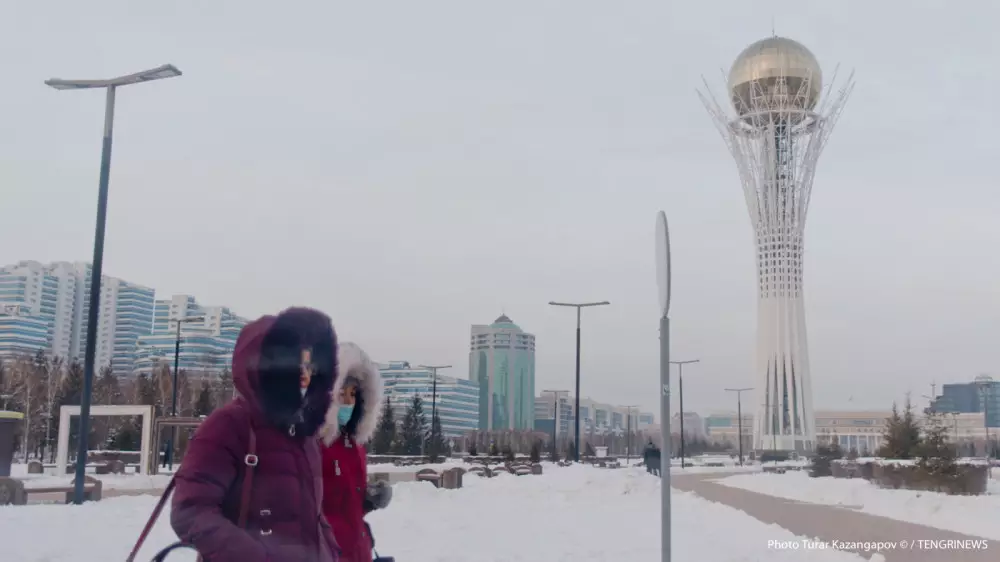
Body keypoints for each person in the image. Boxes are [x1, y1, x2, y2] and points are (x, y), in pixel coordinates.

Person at [170, 307, 341, 562]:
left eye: (311, 365)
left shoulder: (305, 435)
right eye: (296, 363)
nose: (305, 375)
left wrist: (330, 552)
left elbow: (312, 515)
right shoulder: (228, 426)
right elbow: (191, 511)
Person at [319, 342, 392, 562]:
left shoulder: (354, 446)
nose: (348, 402)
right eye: (341, 394)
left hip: (358, 551)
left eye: (352, 394)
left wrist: (368, 500)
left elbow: (347, 506)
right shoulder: (314, 444)